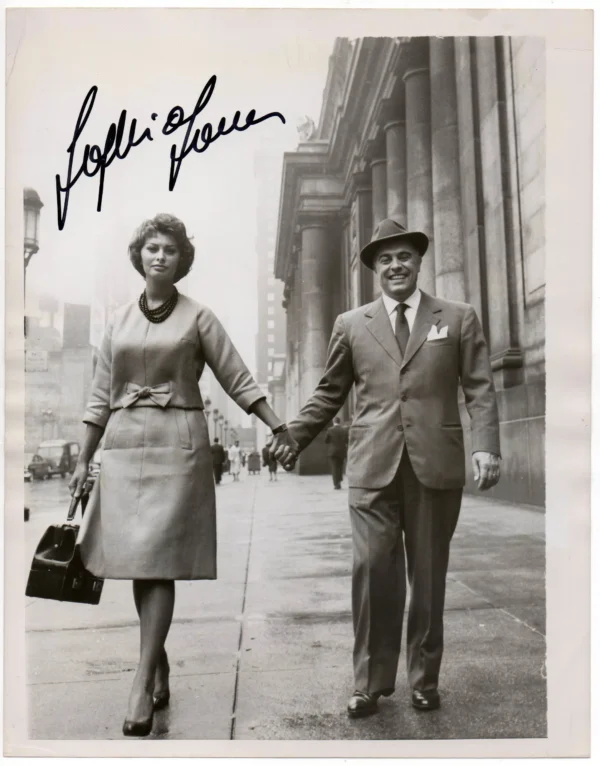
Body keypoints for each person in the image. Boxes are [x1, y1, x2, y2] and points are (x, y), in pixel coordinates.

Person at [68, 214, 289, 737]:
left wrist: (277, 424)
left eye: (169, 248)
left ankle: (141, 680)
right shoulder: (118, 321)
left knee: (159, 562)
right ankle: (158, 659)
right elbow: (100, 395)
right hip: (123, 448)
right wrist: (82, 459)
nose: (160, 255)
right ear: (139, 255)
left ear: (181, 258)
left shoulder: (198, 317)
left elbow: (236, 374)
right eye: (151, 247)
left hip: (177, 446)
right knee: (138, 563)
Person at [272, 218, 501, 719]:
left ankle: (424, 679)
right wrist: (296, 434)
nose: (395, 266)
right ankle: (369, 683)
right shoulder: (352, 325)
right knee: (374, 571)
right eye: (385, 260)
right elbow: (330, 391)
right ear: (375, 268)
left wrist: (486, 446)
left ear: (419, 263)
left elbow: (480, 387)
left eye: (404, 257)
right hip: (373, 466)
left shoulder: (457, 317)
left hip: (434, 467)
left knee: (429, 575)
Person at [325, 416, 348, 489]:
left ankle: (336, 484)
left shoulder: (330, 430)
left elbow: (326, 441)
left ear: (333, 422)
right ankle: (339, 481)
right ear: (339, 422)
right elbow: (347, 440)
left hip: (333, 452)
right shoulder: (344, 430)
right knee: (340, 467)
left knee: (334, 467)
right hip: (342, 451)